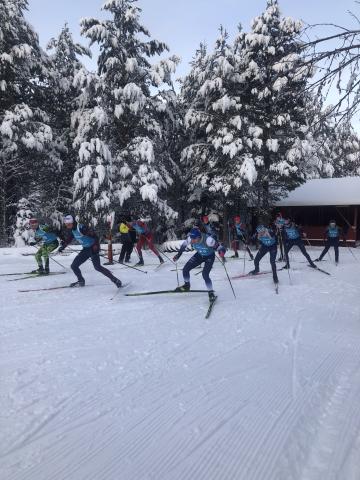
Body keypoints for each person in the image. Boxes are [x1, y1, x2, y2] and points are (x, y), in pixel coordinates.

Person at [58, 215, 122, 288]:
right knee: (74, 266)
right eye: (66, 225)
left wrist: (96, 247)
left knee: (97, 267)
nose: (67, 226)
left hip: (93, 248)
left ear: (73, 222)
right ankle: (81, 281)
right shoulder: (73, 230)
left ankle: (116, 280)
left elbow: (95, 236)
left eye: (69, 224)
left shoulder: (81, 228)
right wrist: (62, 247)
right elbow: (69, 239)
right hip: (85, 250)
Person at [173, 227, 222, 300]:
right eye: (191, 238)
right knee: (185, 269)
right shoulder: (191, 238)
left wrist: (221, 251)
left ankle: (211, 293)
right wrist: (178, 255)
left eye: (194, 239)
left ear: (199, 237)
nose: (192, 240)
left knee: (205, 274)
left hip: (209, 257)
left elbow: (220, 247)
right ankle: (187, 286)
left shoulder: (208, 240)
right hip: (199, 255)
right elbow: (183, 246)